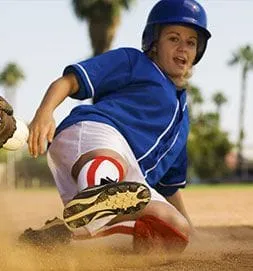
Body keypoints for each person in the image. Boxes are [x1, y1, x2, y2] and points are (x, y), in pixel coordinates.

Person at [20, 0, 211, 252]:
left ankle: (65, 240)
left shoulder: (183, 120)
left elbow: (170, 188)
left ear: (198, 51)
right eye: (173, 38)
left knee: (173, 231)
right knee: (111, 164)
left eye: (191, 42)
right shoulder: (136, 62)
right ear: (154, 42)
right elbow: (70, 81)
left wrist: (191, 230)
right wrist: (45, 112)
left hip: (132, 180)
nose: (182, 48)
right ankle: (101, 191)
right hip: (93, 135)